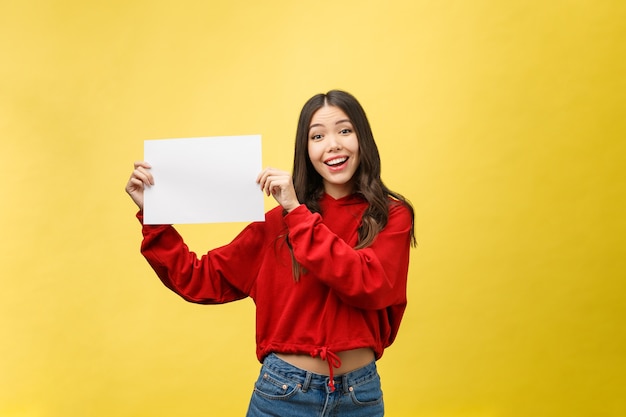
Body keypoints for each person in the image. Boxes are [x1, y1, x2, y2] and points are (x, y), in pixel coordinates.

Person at [126, 90, 416, 416]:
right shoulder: (277, 223)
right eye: (317, 135)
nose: (333, 143)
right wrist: (155, 218)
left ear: (363, 138)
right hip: (284, 393)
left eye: (344, 130)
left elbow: (368, 283)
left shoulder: (391, 215)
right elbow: (199, 278)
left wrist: (296, 212)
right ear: (306, 150)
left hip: (359, 396)